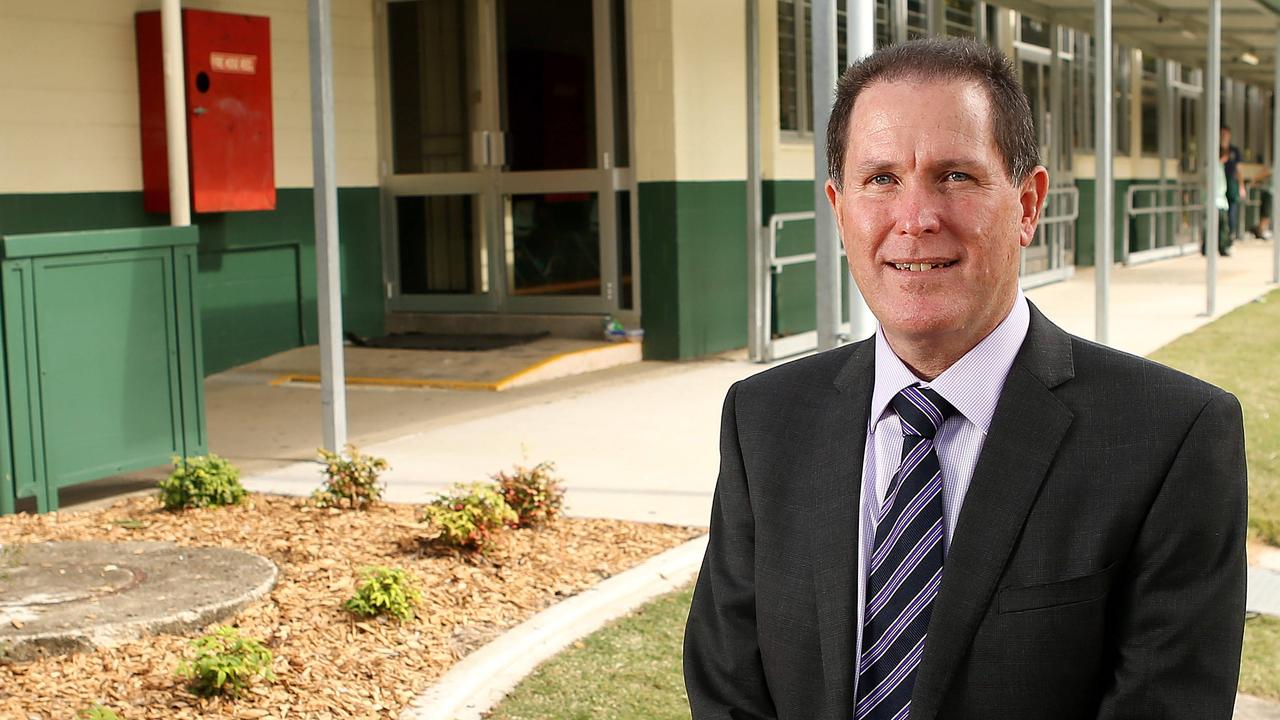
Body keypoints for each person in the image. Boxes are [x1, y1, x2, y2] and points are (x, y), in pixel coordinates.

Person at [683, 37, 1246, 720]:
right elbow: (728, 689)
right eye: (881, 179)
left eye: (955, 175)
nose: (916, 218)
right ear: (839, 210)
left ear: (1028, 204)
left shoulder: (1170, 438)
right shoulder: (763, 419)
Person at [1222, 125, 1243, 249]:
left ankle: (1230, 236)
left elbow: (1239, 170)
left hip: (1232, 184)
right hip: (1220, 184)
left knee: (1232, 212)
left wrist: (1241, 186)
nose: (1224, 136)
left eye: (1226, 134)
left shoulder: (1234, 151)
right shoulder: (1217, 149)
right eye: (1222, 134)